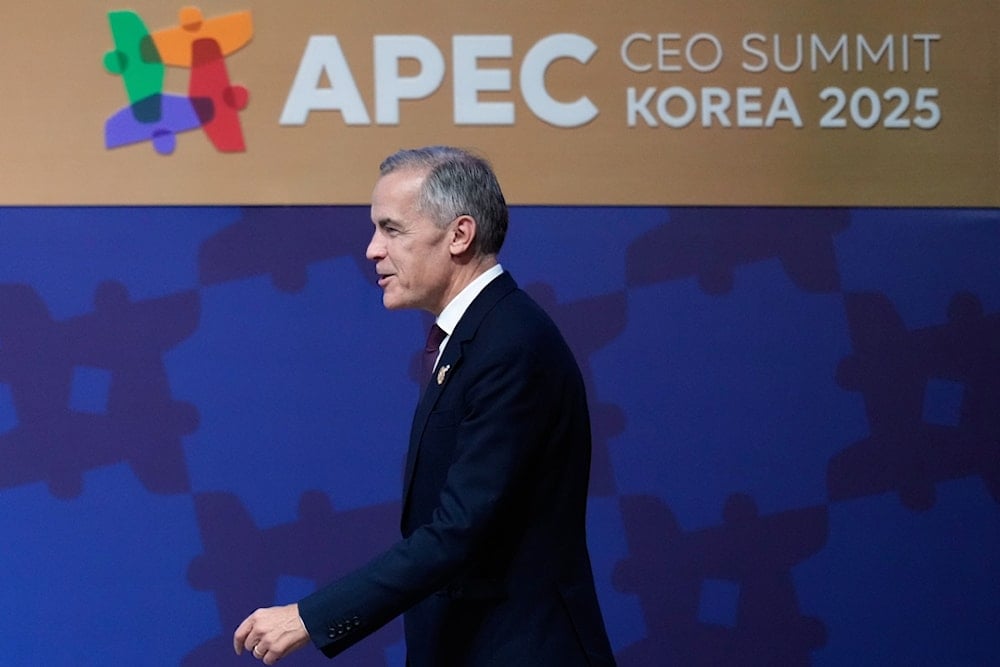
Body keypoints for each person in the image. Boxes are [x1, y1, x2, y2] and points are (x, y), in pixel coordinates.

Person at [234, 146, 616, 666]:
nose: (371, 250)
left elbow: (459, 530)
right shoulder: (478, 337)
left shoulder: (510, 347)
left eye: (391, 230)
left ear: (459, 235)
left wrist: (311, 616)